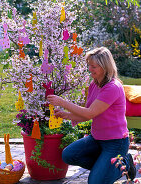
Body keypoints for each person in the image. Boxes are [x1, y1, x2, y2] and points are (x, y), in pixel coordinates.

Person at [47, 47, 136, 184]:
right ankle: (104, 167)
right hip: (97, 138)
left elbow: (89, 113)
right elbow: (87, 114)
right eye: (89, 65)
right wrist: (66, 115)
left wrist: (62, 102)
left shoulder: (113, 87)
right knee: (68, 155)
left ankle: (125, 164)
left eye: (93, 66)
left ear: (104, 67)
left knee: (95, 182)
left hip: (115, 143)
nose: (90, 69)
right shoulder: (94, 85)